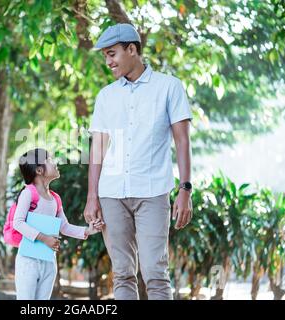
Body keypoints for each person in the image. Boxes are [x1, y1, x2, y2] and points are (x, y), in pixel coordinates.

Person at [83, 23, 193, 300]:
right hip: (112, 194)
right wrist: (92, 196)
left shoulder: (169, 87)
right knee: (122, 274)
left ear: (132, 49)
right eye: (105, 56)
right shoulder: (106, 96)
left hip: (153, 192)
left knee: (155, 274)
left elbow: (182, 140)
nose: (108, 62)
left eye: (112, 54)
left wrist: (185, 189)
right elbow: (98, 148)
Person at [13, 148, 103, 300]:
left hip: (49, 262)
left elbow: (64, 226)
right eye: (50, 160)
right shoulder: (29, 193)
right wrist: (44, 238)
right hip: (28, 261)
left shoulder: (55, 198)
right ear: (39, 170)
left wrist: (88, 230)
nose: (55, 163)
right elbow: (18, 223)